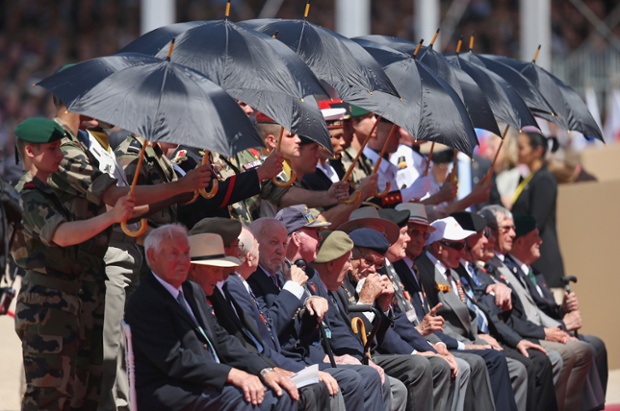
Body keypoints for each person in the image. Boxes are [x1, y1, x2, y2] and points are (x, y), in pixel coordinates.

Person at [10, 118, 134, 411]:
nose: (60, 154)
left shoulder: (52, 192)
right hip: (45, 305)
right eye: (52, 149)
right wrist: (110, 217)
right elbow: (62, 235)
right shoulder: (27, 194)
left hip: (69, 300)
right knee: (49, 397)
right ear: (30, 151)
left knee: (81, 394)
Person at [124, 224, 297, 410]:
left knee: (283, 392)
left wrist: (263, 369)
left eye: (186, 253)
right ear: (152, 257)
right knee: (264, 400)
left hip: (206, 380)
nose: (184, 261)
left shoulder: (191, 290)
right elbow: (175, 360)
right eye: (175, 254)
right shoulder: (146, 301)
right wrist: (232, 374)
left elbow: (222, 339)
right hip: (171, 388)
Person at [246, 218, 391, 411]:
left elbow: (311, 330)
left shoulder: (283, 275)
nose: (281, 250)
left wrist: (310, 309)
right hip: (280, 361)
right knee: (355, 378)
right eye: (273, 243)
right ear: (255, 244)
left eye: (283, 243)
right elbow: (269, 331)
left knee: (372, 376)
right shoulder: (258, 279)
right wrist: (293, 291)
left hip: (306, 356)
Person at [479, 204, 594, 411]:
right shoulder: (489, 267)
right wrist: (556, 328)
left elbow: (534, 308)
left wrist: (560, 320)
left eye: (513, 228)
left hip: (520, 332)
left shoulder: (503, 265)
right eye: (506, 229)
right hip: (505, 336)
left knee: (583, 348)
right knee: (560, 356)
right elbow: (506, 317)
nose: (512, 234)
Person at [416, 216, 524, 411]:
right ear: (439, 247)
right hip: (447, 342)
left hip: (468, 339)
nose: (463, 250)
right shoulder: (425, 271)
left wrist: (479, 336)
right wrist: (470, 344)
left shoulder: (452, 270)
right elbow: (437, 322)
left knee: (518, 363)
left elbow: (468, 311)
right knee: (492, 360)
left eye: (464, 244)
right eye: (457, 245)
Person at [507, 214, 607, 411]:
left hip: (551, 327)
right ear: (520, 241)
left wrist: (564, 308)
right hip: (536, 332)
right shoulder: (510, 271)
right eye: (535, 236)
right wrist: (562, 326)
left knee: (597, 345)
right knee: (583, 349)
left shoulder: (533, 271)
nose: (541, 241)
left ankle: (594, 405)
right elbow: (528, 313)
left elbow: (545, 307)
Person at [510, 128, 564, 288]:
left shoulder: (544, 180)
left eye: (522, 147)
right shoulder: (529, 178)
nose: (518, 152)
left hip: (543, 262)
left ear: (538, 151)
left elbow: (536, 221)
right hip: (529, 259)